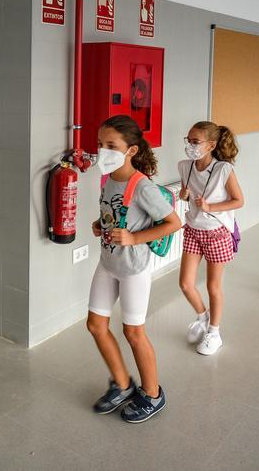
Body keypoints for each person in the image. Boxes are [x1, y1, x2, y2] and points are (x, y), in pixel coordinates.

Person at [88, 115, 181, 422]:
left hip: (133, 269)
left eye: (111, 145)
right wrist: (100, 225)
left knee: (134, 333)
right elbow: (114, 213)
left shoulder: (142, 186)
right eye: (101, 144)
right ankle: (123, 384)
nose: (103, 151)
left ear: (131, 150)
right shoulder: (108, 178)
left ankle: (153, 394)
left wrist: (134, 237)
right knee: (96, 325)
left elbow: (173, 223)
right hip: (108, 263)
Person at [177, 122, 243, 356]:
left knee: (212, 286)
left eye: (195, 142)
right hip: (193, 229)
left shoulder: (224, 169)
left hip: (217, 232)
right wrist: (184, 195)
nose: (190, 146)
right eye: (188, 140)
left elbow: (238, 201)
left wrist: (210, 206)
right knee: (185, 284)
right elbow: (187, 193)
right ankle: (203, 317)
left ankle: (214, 333)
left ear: (211, 145)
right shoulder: (185, 166)